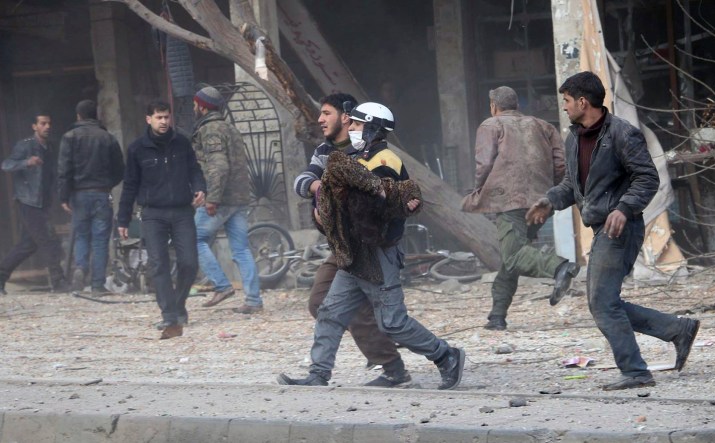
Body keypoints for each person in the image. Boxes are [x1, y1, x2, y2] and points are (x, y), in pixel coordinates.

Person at [525, 71, 700, 390]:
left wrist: (624, 208)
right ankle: (677, 329)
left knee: (602, 302)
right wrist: (549, 201)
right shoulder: (574, 137)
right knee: (604, 301)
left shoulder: (622, 134)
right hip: (601, 227)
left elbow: (647, 178)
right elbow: (572, 186)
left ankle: (635, 372)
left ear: (582, 101)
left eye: (566, 101)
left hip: (622, 228)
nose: (563, 107)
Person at [278, 102, 465, 390]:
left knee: (392, 323)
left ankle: (446, 356)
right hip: (353, 253)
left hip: (378, 254)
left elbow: (371, 207)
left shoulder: (385, 161)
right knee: (330, 312)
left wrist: (330, 205)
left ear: (373, 128)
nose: (350, 129)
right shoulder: (355, 157)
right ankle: (318, 374)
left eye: (355, 124)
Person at [293, 93, 411, 387]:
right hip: (344, 244)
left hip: (371, 245)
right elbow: (303, 181)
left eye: (326, 113)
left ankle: (414, 362)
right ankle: (322, 373)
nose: (320, 119)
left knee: (387, 318)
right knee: (322, 302)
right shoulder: (325, 150)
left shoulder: (375, 155)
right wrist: (322, 192)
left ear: (347, 117)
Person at [461, 86, 580, 331]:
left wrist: (479, 190)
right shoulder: (544, 126)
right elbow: (560, 164)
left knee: (513, 256)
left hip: (509, 199)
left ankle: (559, 267)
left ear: (494, 106)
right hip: (541, 202)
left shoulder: (491, 125)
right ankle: (497, 316)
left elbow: (483, 164)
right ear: (516, 105)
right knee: (512, 255)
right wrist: (549, 192)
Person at [117, 101, 206, 340]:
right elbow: (130, 185)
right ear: (149, 119)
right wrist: (123, 220)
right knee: (158, 264)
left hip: (181, 211)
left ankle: (178, 304)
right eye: (159, 117)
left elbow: (195, 169)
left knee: (189, 262)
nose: (164, 121)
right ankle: (169, 314)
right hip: (153, 213)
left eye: (166, 117)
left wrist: (199, 187)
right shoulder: (137, 149)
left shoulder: (182, 142)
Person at [190, 86, 263, 314]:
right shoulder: (230, 128)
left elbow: (219, 167)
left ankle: (221, 286)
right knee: (241, 249)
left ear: (202, 106)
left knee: (194, 239)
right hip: (240, 197)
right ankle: (253, 300)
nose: (194, 108)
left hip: (222, 198)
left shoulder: (210, 130)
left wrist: (212, 198)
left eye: (195, 104)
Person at [58, 99, 125, 293]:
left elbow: (64, 170)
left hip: (79, 195)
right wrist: (107, 184)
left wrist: (64, 197)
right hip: (102, 194)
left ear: (78, 116)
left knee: (81, 235)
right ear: (96, 115)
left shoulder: (69, 137)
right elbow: (120, 169)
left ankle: (80, 268)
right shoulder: (107, 138)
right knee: (100, 239)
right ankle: (97, 283)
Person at [0, 111, 67, 294]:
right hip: (28, 201)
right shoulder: (25, 145)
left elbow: (53, 175)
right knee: (48, 240)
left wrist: (61, 198)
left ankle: (1, 275)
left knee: (28, 245)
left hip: (43, 203)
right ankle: (58, 281)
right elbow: (6, 164)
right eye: (43, 123)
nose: (47, 127)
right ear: (34, 126)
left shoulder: (50, 147)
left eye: (49, 123)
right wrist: (26, 162)